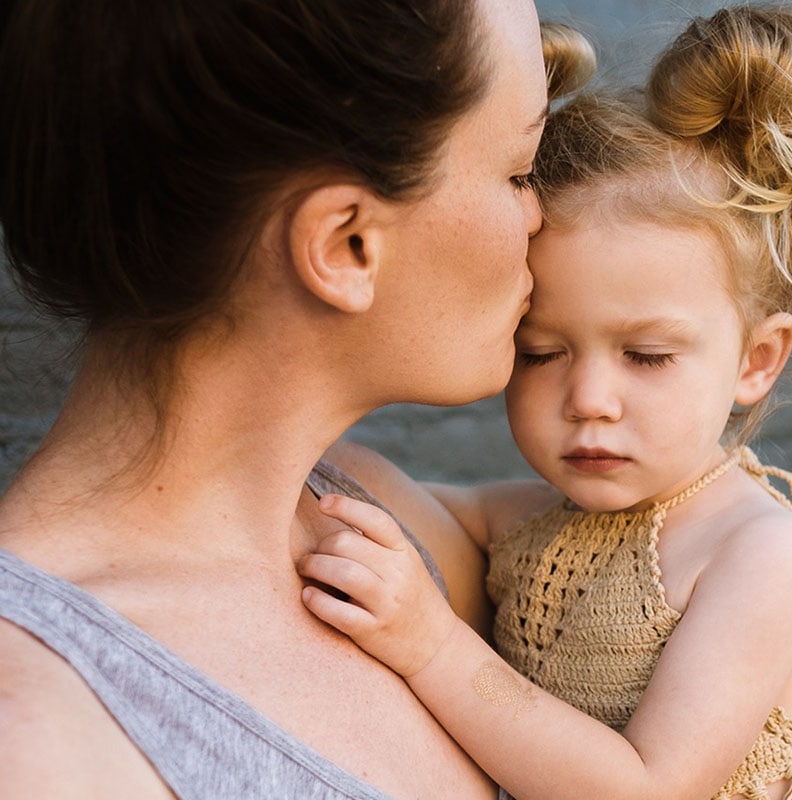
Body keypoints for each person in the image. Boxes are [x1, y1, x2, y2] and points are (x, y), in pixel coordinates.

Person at [0, 1, 592, 797]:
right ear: (346, 244)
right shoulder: (37, 735)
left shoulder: (381, 520)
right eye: (518, 172)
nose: (539, 215)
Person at [298, 5, 792, 799]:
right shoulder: (528, 523)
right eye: (541, 352)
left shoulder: (759, 555)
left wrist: (430, 645)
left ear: (756, 362)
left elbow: (647, 789)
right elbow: (384, 497)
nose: (589, 399)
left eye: (647, 356)